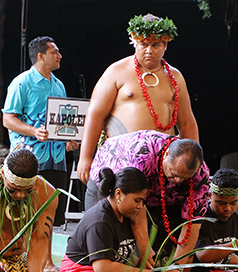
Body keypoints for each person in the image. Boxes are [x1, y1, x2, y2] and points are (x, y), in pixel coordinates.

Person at [56, 167, 215, 272]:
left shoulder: (128, 215)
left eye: (142, 201)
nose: (140, 206)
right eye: (137, 200)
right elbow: (103, 268)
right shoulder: (100, 220)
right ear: (118, 194)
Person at [77, 14, 199, 185]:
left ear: (165, 44)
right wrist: (85, 157)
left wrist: (192, 160)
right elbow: (95, 115)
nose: (149, 51)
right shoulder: (116, 71)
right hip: (120, 161)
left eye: (155, 45)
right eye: (143, 44)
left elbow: (187, 123)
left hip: (162, 165)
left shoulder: (175, 77)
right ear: (134, 42)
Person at [86, 130, 209, 272]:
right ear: (166, 155)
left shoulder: (200, 175)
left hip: (155, 198)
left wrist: (177, 266)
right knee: (109, 243)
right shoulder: (142, 155)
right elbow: (135, 207)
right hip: (113, 185)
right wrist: (145, 248)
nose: (177, 180)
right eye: (173, 173)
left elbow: (192, 225)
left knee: (155, 254)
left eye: (185, 177)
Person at [2, 36, 79, 233]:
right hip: (29, 158)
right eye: (55, 52)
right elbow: (8, 119)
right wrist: (33, 131)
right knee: (26, 211)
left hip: (56, 158)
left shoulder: (59, 85)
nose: (60, 56)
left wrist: (68, 139)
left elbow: (61, 122)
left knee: (51, 212)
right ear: (41, 56)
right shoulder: (22, 83)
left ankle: (47, 262)